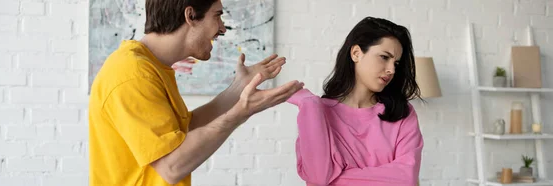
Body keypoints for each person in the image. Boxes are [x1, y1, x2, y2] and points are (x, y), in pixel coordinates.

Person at [88, 0, 304, 185]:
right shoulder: (133, 74)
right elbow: (171, 166)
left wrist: (239, 88)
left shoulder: (149, 67)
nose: (222, 29)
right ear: (190, 16)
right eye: (217, 16)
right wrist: (240, 113)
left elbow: (186, 131)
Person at [287, 17, 424, 186]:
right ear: (356, 53)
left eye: (396, 63)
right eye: (384, 57)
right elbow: (317, 177)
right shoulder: (317, 113)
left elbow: (406, 179)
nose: (391, 69)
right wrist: (309, 103)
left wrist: (335, 178)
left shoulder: (402, 112)